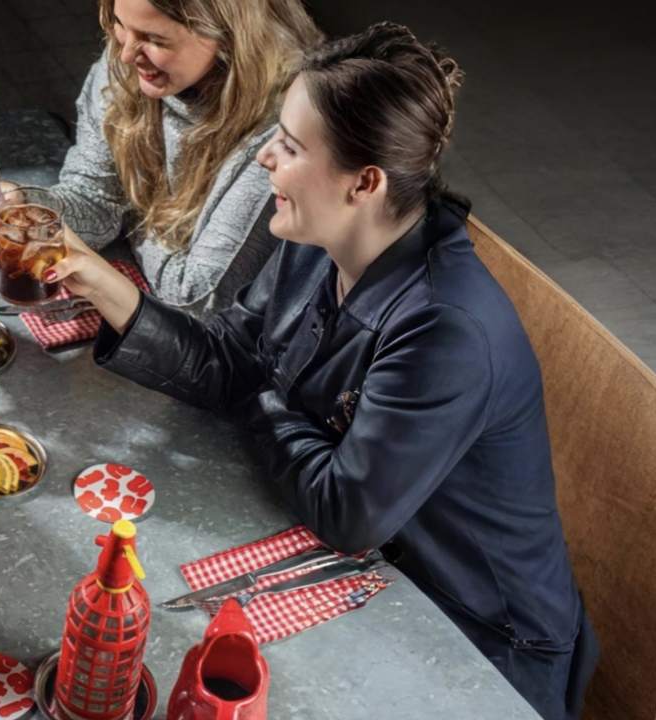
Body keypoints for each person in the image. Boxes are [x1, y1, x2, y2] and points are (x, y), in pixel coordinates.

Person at [50, 23, 597, 720]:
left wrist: (260, 393)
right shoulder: (319, 238)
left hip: (476, 642)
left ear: (364, 182)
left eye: (291, 147)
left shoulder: (445, 328)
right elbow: (230, 359)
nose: (264, 162)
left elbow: (347, 511)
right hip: (371, 577)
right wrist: (103, 284)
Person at [43, 0, 320, 316]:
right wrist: (29, 208)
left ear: (226, 34)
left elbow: (196, 302)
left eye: (155, 40)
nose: (125, 54)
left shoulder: (283, 133)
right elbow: (94, 201)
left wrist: (133, 215)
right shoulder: (124, 69)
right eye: (119, 24)